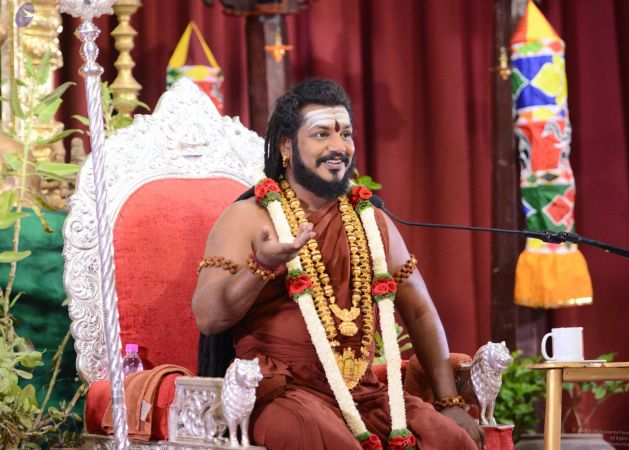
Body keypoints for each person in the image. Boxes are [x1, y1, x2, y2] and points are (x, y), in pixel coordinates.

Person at [192, 79, 485, 450]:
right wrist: (260, 266)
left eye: (345, 134)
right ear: (286, 145)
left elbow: (420, 311)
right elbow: (208, 317)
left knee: (449, 440)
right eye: (321, 134)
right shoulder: (248, 217)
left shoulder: (371, 220)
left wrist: (448, 402)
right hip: (281, 394)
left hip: (365, 394)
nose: (338, 147)